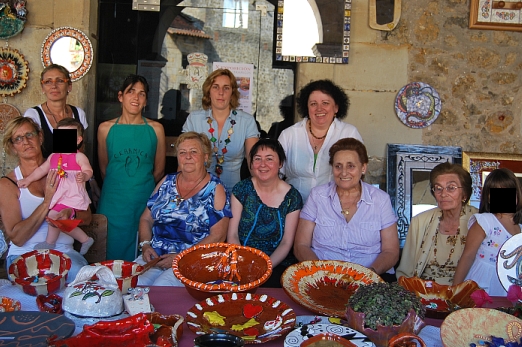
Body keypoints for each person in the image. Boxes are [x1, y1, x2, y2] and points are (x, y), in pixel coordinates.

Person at [294, 138, 399, 282]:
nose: (344, 173)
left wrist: (367, 276)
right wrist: (320, 273)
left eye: (351, 166)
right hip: (322, 278)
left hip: (370, 279)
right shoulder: (317, 196)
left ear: (363, 168)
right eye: (338, 166)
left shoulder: (380, 200)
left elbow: (391, 251)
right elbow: (301, 245)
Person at [0, 117, 91, 280]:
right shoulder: (8, 184)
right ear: (13, 147)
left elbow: (88, 217)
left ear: (40, 137)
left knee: (83, 281)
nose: (26, 142)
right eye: (18, 139)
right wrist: (47, 201)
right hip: (25, 254)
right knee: (40, 284)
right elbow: (17, 238)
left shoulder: (69, 168)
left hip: (65, 252)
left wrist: (70, 213)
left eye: (30, 134)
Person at [136, 132, 232, 286]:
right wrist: (145, 245)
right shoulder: (167, 182)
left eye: (194, 152)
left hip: (192, 260)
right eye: (182, 152)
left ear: (205, 157)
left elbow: (218, 236)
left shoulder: (216, 189)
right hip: (155, 256)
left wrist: (181, 257)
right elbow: (146, 218)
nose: (188, 156)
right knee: (133, 284)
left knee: (161, 288)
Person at [97, 74, 166, 261]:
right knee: (110, 253)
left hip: (143, 201)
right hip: (113, 203)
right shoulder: (105, 128)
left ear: (145, 101)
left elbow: (159, 170)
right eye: (131, 92)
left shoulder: (156, 129)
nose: (136, 98)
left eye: (141, 94)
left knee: (141, 256)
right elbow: (104, 168)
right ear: (120, 96)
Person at [227, 138, 303, 287]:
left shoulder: (292, 198)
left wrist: (265, 267)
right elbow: (233, 235)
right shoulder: (241, 189)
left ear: (280, 163)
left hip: (276, 264)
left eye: (269, 159)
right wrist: (243, 263)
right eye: (257, 159)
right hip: (241, 261)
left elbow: (286, 243)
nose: (262, 165)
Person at [17, 118, 94, 255]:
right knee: (57, 219)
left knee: (54, 217)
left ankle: (51, 243)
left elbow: (88, 170)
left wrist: (85, 176)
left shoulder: (78, 157)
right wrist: (28, 180)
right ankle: (85, 239)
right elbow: (41, 171)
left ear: (77, 140)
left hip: (72, 195)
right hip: (60, 196)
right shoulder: (53, 156)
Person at [278, 79, 363, 202]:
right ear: (307, 108)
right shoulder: (289, 135)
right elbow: (275, 174)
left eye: (325, 103)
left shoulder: (349, 133)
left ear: (336, 108)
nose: (319, 109)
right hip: (293, 208)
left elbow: (358, 174)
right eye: (313, 104)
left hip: (336, 209)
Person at [396, 162, 477, 285]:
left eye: (451, 188)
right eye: (438, 188)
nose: (443, 194)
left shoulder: (479, 222)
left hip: (465, 294)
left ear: (464, 193)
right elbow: (406, 272)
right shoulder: (420, 221)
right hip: (423, 294)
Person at [182, 68, 259, 190]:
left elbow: (254, 163)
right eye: (216, 87)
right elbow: (184, 161)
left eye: (226, 88)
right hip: (198, 191)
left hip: (233, 193)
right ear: (209, 91)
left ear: (232, 92)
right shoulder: (194, 119)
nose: (221, 92)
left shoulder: (247, 121)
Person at [453, 168, 522, 295]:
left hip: (508, 287)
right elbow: (468, 255)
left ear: (517, 195)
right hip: (482, 284)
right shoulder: (485, 221)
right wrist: (454, 291)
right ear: (489, 198)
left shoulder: (520, 229)